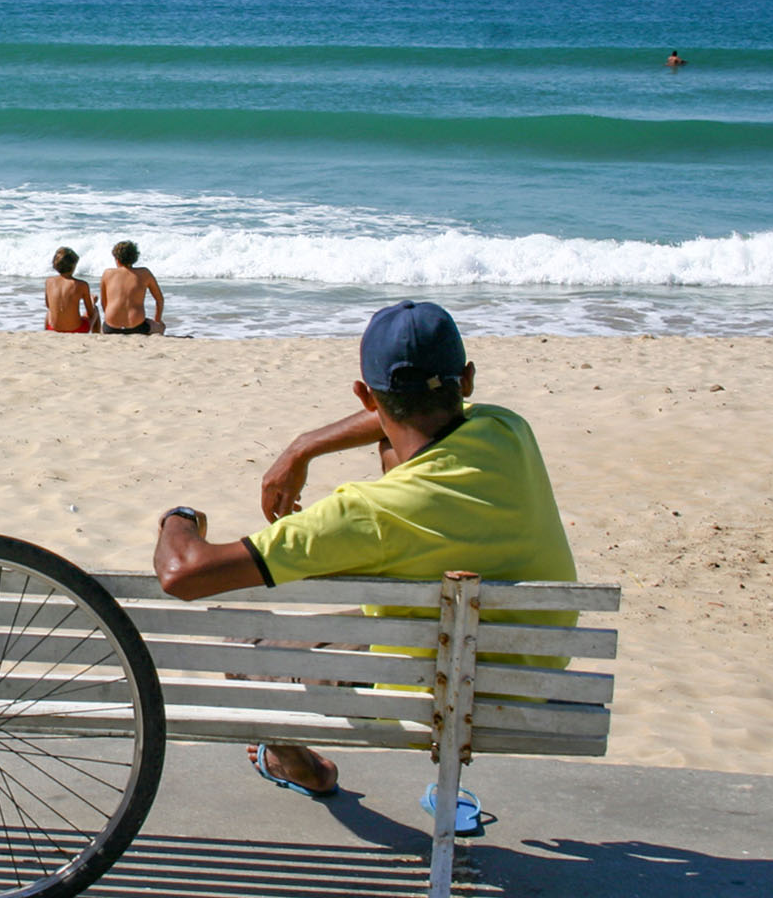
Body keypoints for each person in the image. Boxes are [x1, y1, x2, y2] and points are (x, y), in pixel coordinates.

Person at [150, 300, 577, 798]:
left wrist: (179, 518)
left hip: (420, 695)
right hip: (527, 677)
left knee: (246, 645)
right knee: (394, 616)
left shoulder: (368, 513)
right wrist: (303, 446)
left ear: (364, 394)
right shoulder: (509, 430)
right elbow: (411, 416)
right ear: (467, 380)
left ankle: (300, 767)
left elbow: (183, 573)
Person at [99, 240, 164, 335]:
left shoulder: (107, 273)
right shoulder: (144, 273)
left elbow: (104, 303)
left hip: (111, 327)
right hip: (137, 327)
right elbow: (159, 300)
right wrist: (157, 320)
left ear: (116, 259)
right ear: (135, 258)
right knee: (161, 327)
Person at [43, 247, 96, 333]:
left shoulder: (49, 281)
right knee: (95, 310)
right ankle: (96, 335)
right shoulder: (81, 285)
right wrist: (92, 301)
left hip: (53, 328)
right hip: (77, 329)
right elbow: (90, 313)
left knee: (49, 312)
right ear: (73, 266)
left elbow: (48, 305)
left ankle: (46, 332)